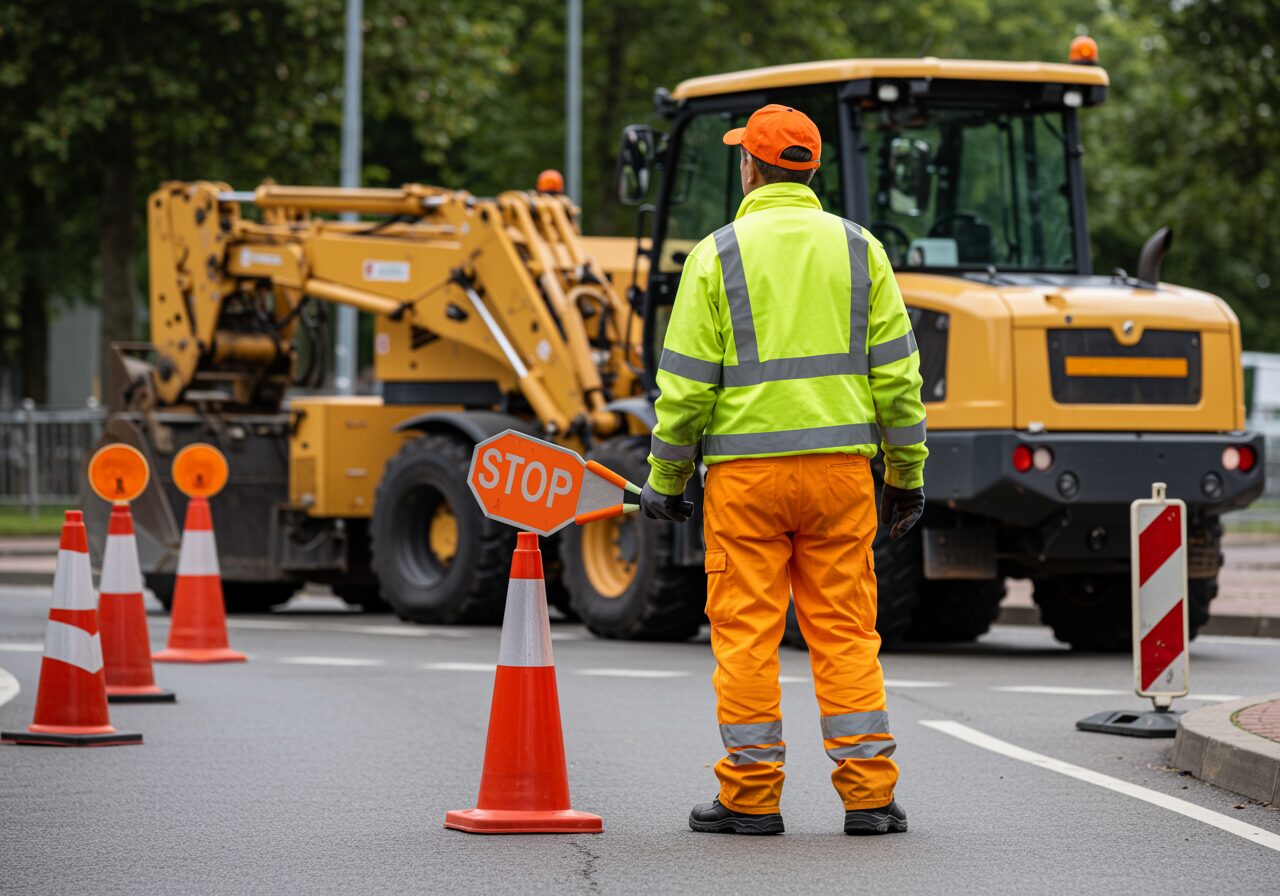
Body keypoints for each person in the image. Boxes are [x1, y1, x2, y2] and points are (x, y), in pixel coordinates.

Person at [641, 104, 927, 836]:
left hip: (746, 482)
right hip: (839, 478)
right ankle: (868, 797)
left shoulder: (718, 253)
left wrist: (666, 480)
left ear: (750, 167)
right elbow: (898, 379)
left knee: (746, 636)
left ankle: (751, 797)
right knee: (844, 634)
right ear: (811, 167)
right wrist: (906, 474)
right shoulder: (863, 251)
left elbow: (685, 388)